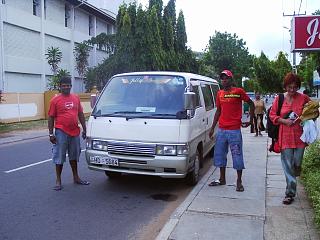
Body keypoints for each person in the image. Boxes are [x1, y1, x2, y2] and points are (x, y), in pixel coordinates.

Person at [208, 70, 255, 192]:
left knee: (237, 155)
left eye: (226, 78)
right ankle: (222, 179)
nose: (224, 80)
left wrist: (250, 120)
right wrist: (213, 128)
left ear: (231, 79)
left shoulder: (238, 92)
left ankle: (239, 181)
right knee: (219, 155)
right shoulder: (219, 93)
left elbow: (251, 104)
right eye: (222, 78)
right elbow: (218, 111)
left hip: (234, 131)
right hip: (222, 130)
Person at [269, 72, 310, 205]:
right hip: (285, 136)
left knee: (297, 163)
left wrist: (308, 117)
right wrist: (284, 121)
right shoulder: (279, 99)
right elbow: (272, 115)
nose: (292, 90)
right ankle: (290, 193)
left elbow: (313, 111)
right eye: (289, 87)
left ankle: (294, 173)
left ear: (298, 86)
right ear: (285, 86)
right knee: (287, 165)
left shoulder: (304, 98)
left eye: (295, 87)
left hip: (300, 137)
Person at [48, 76, 90, 191]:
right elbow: (51, 117)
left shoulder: (76, 98)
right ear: (60, 87)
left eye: (68, 85)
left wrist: (85, 129)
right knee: (59, 156)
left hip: (75, 131)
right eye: (64, 85)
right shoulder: (55, 100)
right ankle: (58, 180)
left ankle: (76, 177)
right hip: (61, 131)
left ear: (71, 86)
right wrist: (51, 134)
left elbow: (80, 114)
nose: (66, 87)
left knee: (74, 155)